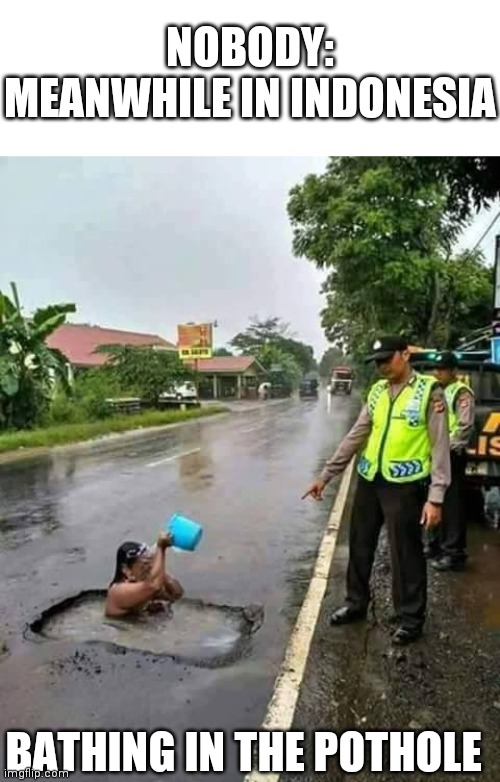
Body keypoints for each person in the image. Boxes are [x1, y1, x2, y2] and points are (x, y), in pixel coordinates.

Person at [302, 335, 451, 646]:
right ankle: (356, 603)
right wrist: (326, 475)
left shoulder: (429, 392)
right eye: (378, 362)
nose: (382, 366)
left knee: (405, 552)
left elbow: (440, 448)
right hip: (370, 479)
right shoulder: (377, 392)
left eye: (387, 359)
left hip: (406, 485)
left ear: (405, 354)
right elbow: (356, 435)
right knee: (359, 544)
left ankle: (410, 618)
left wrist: (435, 498)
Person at [429, 351, 475, 571]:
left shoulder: (461, 392)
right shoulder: (439, 391)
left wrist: (446, 449)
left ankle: (454, 553)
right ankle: (435, 545)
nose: (437, 373)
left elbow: (464, 427)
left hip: (452, 455)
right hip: (437, 455)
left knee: (453, 505)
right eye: (436, 369)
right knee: (436, 501)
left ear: (453, 371)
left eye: (442, 369)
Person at [105, 532, 184, 618]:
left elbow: (177, 593)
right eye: (143, 567)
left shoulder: (145, 587)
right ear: (127, 570)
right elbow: (154, 586)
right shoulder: (117, 591)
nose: (148, 573)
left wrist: (155, 563)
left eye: (150, 567)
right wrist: (161, 548)